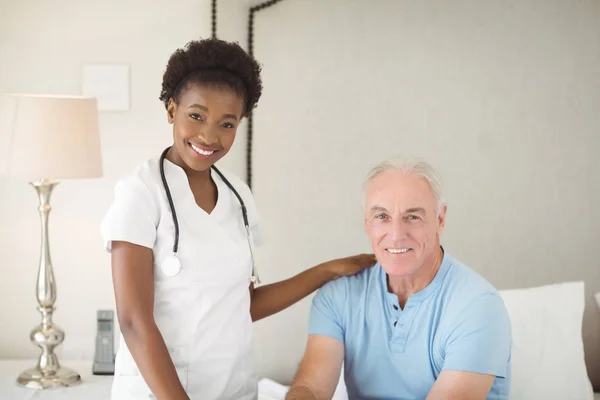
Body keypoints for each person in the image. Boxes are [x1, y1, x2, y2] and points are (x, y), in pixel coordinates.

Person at [99, 38, 376, 400]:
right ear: (171, 110)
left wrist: (326, 272)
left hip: (233, 389)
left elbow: (242, 305)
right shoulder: (140, 192)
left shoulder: (238, 196)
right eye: (196, 116)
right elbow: (135, 322)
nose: (209, 135)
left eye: (226, 124)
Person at [286, 158, 512, 400]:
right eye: (382, 216)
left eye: (412, 217)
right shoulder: (338, 295)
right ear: (366, 222)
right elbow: (311, 387)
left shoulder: (477, 306)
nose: (396, 236)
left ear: (440, 219)